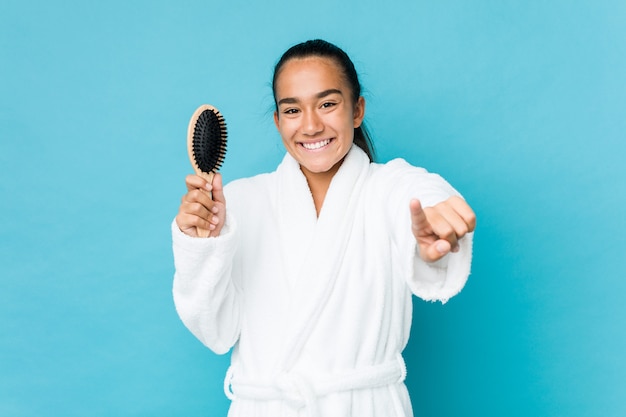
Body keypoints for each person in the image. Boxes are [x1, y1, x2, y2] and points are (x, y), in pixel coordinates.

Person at [172, 39, 476, 417]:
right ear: (278, 121)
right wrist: (204, 247)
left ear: (357, 110)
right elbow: (215, 330)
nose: (312, 125)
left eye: (328, 104)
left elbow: (418, 194)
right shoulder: (240, 204)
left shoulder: (386, 188)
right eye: (293, 110)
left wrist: (433, 223)